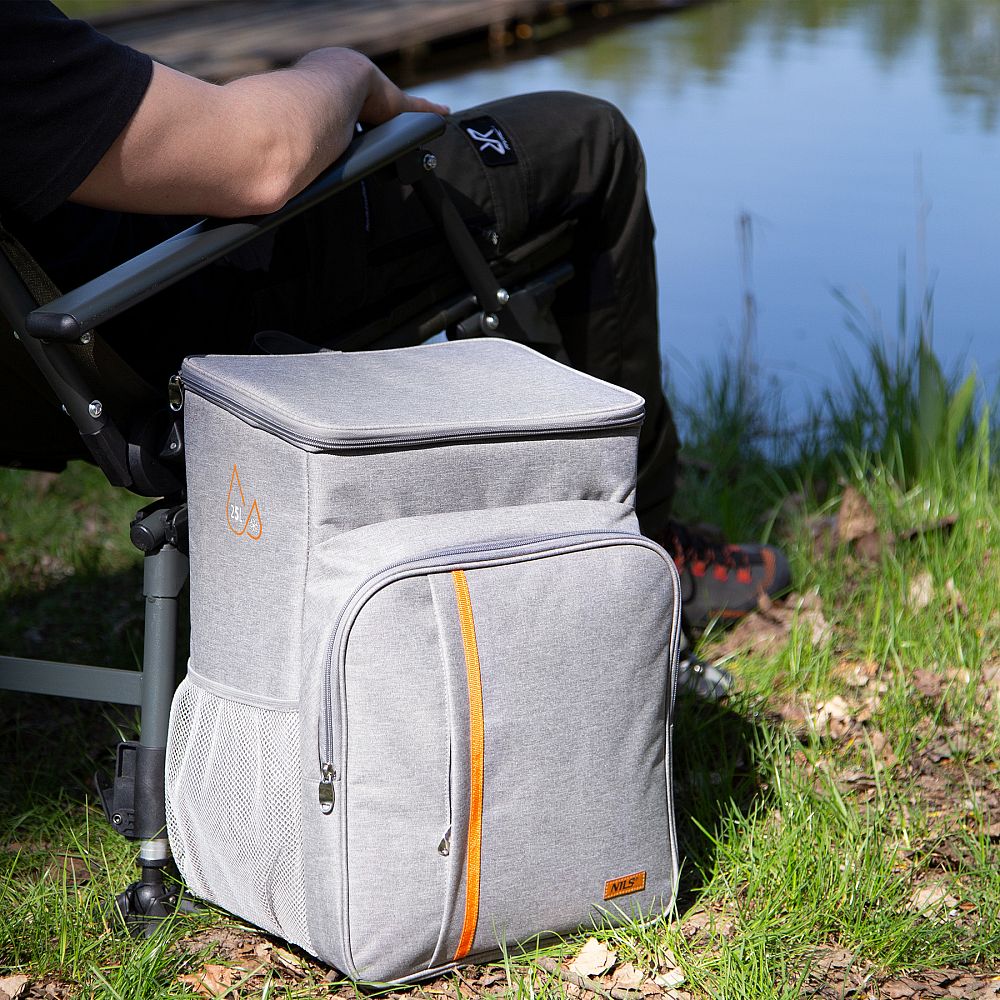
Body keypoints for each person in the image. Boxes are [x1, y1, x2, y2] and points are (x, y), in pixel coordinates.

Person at [0, 0, 789, 643]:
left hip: (49, 371)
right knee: (591, 142)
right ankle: (644, 553)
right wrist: (342, 69)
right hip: (185, 297)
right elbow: (262, 158)